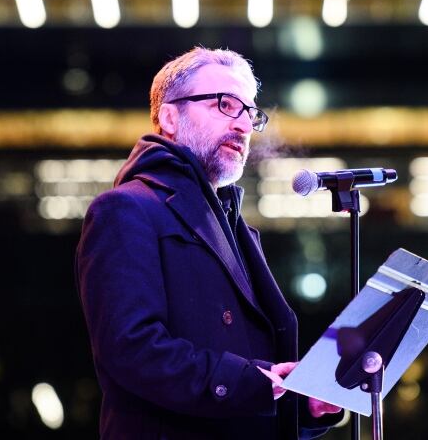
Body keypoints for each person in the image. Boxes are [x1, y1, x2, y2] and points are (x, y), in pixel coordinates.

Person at [75, 47, 342, 439]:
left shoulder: (235, 227)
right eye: (224, 104)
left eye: (250, 113)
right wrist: (253, 382)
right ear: (169, 116)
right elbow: (132, 349)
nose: (242, 126)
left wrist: (304, 402)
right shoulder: (124, 210)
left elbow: (253, 368)